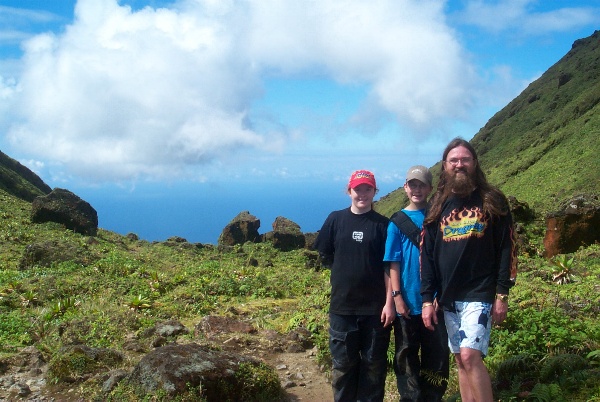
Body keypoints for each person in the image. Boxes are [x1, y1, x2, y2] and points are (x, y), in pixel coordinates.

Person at [420, 138, 517, 402]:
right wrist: (427, 299)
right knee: (460, 361)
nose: (459, 165)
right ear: (445, 166)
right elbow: (426, 255)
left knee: (469, 356)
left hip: (480, 292)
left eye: (465, 159)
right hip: (448, 296)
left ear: (474, 163)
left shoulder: (492, 199)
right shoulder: (437, 204)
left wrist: (502, 294)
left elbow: (507, 248)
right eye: (454, 160)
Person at [313, 169, 395, 402]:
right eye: (358, 188)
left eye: (367, 188)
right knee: (343, 367)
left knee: (374, 368)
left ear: (374, 191)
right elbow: (325, 253)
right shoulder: (335, 219)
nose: (362, 193)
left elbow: (389, 267)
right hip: (343, 308)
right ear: (349, 191)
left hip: (375, 310)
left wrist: (389, 303)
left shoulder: (383, 225)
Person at [384, 165, 449, 402]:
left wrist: (439, 295)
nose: (417, 189)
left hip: (434, 302)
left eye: (422, 185)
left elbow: (445, 258)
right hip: (407, 304)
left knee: (438, 356)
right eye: (413, 185)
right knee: (406, 355)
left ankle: (433, 397)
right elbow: (393, 262)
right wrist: (397, 297)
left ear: (430, 188)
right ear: (405, 187)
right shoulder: (397, 222)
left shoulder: (439, 217)